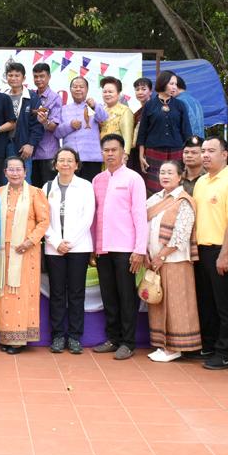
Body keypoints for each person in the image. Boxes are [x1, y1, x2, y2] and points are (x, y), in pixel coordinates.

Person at [192, 136, 228, 369]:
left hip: (223, 250)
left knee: (226, 302)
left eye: (211, 151)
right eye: (203, 151)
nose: (205, 155)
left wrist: (225, 254)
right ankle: (210, 345)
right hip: (202, 250)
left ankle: (226, 353)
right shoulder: (201, 182)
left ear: (224, 154)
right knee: (206, 301)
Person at [91, 134, 147, 360]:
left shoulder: (134, 178)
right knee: (109, 295)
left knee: (126, 296)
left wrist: (139, 249)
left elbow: (140, 215)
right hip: (103, 247)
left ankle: (128, 342)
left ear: (124, 152)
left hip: (126, 247)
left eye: (114, 150)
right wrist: (94, 246)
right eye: (106, 150)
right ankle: (113, 338)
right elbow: (95, 216)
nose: (110, 154)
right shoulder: (98, 180)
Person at [145, 160, 201, 362]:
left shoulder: (184, 200)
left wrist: (161, 255)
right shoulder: (154, 199)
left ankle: (176, 347)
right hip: (155, 260)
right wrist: (146, 253)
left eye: (170, 172)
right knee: (158, 302)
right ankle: (162, 345)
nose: (165, 176)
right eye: (162, 172)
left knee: (176, 304)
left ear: (180, 176)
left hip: (175, 260)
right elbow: (144, 225)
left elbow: (181, 234)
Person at [0, 156, 50, 354]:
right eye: (11, 169)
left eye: (19, 169)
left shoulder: (35, 193)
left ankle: (20, 340)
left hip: (26, 251)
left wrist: (29, 241)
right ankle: (6, 336)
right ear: (5, 172)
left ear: (25, 172)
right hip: (3, 252)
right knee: (4, 295)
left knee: (22, 293)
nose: (15, 173)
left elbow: (44, 221)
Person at [44, 147, 94, 354]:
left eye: (69, 160)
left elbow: (87, 218)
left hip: (79, 248)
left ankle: (74, 336)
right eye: (61, 160)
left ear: (76, 164)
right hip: (53, 248)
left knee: (76, 293)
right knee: (56, 293)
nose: (65, 164)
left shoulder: (85, 186)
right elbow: (43, 219)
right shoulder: (47, 187)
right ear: (55, 164)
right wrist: (56, 242)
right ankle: (57, 336)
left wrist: (69, 242)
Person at [137, 71, 192, 193]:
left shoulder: (180, 105)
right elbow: (142, 132)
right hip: (154, 151)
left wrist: (188, 155)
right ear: (163, 83)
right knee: (155, 188)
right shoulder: (149, 105)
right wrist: (141, 155)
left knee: (176, 187)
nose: (174, 87)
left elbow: (187, 132)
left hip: (177, 150)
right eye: (171, 84)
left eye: (175, 84)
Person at [55, 77, 108, 181]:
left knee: (91, 188)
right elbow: (57, 133)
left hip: (91, 158)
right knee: (71, 188)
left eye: (81, 87)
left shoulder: (94, 106)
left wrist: (94, 106)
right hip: (70, 159)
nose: (78, 89)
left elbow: (103, 118)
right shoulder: (63, 109)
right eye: (75, 87)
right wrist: (70, 125)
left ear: (87, 89)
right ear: (70, 90)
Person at [5, 62, 43, 180]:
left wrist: (31, 144)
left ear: (24, 78)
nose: (13, 78)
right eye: (10, 75)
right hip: (4, 146)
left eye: (17, 75)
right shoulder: (3, 96)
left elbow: (38, 124)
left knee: (24, 181)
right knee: (5, 181)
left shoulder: (32, 97)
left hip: (23, 147)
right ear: (6, 77)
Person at [30, 63, 64, 187]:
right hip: (31, 153)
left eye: (42, 76)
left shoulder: (55, 98)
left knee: (48, 191)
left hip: (48, 153)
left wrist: (45, 121)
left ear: (49, 77)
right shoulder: (31, 96)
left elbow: (54, 126)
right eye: (36, 76)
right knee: (34, 191)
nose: (38, 79)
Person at [99, 77, 135, 151]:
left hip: (117, 153)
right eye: (104, 92)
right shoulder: (101, 110)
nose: (107, 94)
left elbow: (127, 137)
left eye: (110, 92)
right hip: (102, 152)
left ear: (118, 94)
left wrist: (125, 154)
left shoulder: (125, 111)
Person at [127, 77, 153, 173]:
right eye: (137, 90)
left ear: (151, 91)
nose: (140, 92)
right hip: (136, 150)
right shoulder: (138, 111)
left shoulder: (153, 109)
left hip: (148, 149)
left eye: (143, 89)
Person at [174, 75, 204, 140]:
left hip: (186, 142)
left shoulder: (178, 101)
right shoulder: (196, 101)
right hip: (200, 141)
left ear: (175, 86)